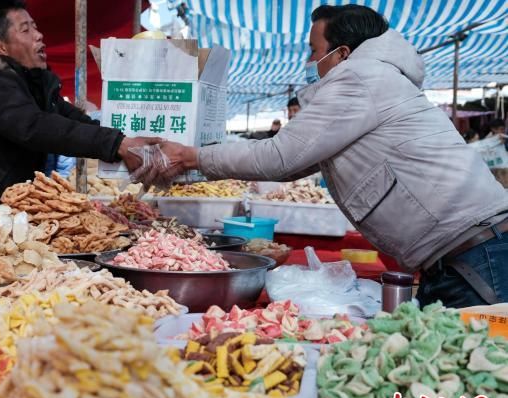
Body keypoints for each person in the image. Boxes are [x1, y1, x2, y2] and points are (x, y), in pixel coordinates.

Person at [138, 4, 508, 307]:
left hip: (476, 256)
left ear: (342, 53)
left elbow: (278, 157)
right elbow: (294, 161)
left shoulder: (359, 78)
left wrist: (190, 157)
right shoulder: (373, 78)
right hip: (468, 253)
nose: (310, 61)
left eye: (314, 51)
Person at [0, 0, 158, 223]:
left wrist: (126, 141)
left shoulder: (34, 89)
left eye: (35, 26)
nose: (38, 35)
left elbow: (76, 121)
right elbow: (34, 126)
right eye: (25, 29)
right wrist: (116, 144)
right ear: (1, 47)